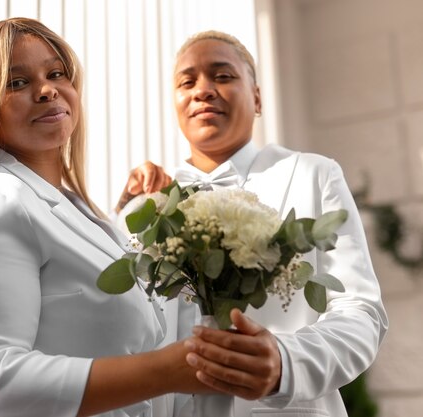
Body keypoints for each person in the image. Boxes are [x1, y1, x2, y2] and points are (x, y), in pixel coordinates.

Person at [0, 17, 239, 417]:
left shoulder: (77, 212)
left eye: (57, 73)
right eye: (17, 82)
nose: (46, 90)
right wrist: (166, 371)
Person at [116, 30, 389, 417]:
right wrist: (122, 212)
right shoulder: (147, 206)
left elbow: (361, 311)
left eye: (223, 76)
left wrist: (286, 362)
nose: (203, 90)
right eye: (186, 81)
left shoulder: (313, 174)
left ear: (257, 98)